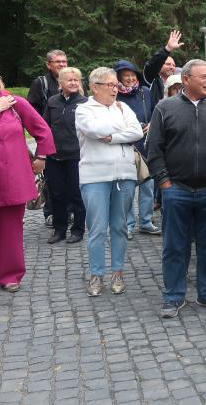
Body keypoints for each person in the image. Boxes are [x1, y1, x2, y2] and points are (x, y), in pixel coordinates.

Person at [146, 59, 206, 318]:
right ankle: (173, 297)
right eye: (204, 77)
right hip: (176, 190)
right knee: (174, 247)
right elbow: (154, 149)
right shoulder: (165, 107)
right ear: (187, 80)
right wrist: (165, 184)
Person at [0, 62, 55, 298]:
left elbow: (42, 129)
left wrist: (42, 157)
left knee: (12, 231)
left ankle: (10, 276)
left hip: (12, 178)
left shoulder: (16, 103)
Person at [76, 67, 144, 297]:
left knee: (120, 227)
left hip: (124, 174)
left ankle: (118, 272)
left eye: (116, 85)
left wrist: (113, 137)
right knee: (96, 228)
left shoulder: (123, 107)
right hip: (94, 176)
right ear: (95, 86)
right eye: (110, 85)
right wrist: (122, 131)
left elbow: (137, 132)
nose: (116, 89)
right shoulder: (84, 109)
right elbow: (95, 130)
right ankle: (96, 274)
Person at [112, 59, 160, 238]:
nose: (130, 78)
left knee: (148, 186)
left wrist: (151, 125)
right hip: (126, 146)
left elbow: (157, 110)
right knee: (128, 188)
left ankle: (146, 222)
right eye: (126, 76)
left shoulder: (145, 92)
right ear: (118, 78)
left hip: (146, 145)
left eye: (132, 75)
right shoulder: (114, 94)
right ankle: (129, 225)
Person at [43, 67, 88, 244]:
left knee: (76, 194)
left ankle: (78, 229)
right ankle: (59, 229)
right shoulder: (53, 101)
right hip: (54, 157)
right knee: (57, 194)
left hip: (77, 156)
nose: (73, 82)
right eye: (69, 80)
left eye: (76, 80)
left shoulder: (85, 103)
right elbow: (44, 128)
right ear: (60, 83)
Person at [27, 49, 70, 227]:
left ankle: (69, 211)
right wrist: (41, 128)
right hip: (48, 137)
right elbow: (31, 109)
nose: (61, 64)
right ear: (48, 65)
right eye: (57, 61)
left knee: (70, 178)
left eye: (64, 61)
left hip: (69, 138)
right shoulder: (41, 83)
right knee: (51, 178)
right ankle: (51, 213)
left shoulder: (72, 79)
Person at [143, 30, 183, 109]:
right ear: (160, 65)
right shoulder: (152, 80)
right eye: (168, 64)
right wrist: (167, 49)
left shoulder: (179, 81)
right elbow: (153, 64)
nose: (171, 67)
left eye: (174, 65)